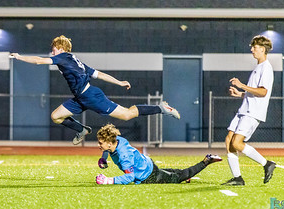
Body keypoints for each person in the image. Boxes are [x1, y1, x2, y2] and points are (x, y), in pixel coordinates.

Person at [10, 35, 180, 146]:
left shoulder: (62, 57)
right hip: (80, 98)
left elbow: (39, 61)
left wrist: (19, 57)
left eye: (54, 48)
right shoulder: (75, 61)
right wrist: (119, 82)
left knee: (127, 115)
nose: (52, 51)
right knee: (56, 116)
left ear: (61, 48)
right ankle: (82, 130)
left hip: (90, 96)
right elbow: (99, 74)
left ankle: (162, 108)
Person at [222, 35, 276, 186]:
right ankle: (238, 178)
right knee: (229, 141)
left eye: (255, 47)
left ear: (263, 49)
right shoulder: (258, 67)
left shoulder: (266, 68)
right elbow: (254, 92)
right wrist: (240, 94)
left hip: (253, 112)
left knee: (237, 143)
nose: (252, 50)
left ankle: (267, 164)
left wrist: (242, 85)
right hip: (244, 109)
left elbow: (263, 92)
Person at [95, 124, 222, 185]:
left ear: (110, 143)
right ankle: (185, 176)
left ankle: (206, 161)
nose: (99, 145)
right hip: (148, 165)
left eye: (101, 143)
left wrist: (108, 180)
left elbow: (130, 177)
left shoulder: (124, 157)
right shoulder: (118, 140)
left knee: (178, 177)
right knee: (173, 173)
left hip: (148, 176)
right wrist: (104, 158)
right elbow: (107, 149)